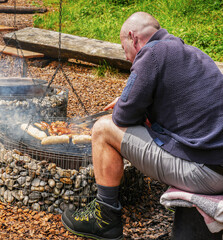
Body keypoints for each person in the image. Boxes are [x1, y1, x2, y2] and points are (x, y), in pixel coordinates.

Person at [61, 11, 223, 240]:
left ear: (132, 37)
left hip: (207, 173)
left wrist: (126, 104)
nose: (127, 57)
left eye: (123, 47)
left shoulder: (151, 53)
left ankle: (104, 218)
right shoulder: (191, 53)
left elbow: (123, 117)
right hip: (216, 163)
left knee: (102, 129)